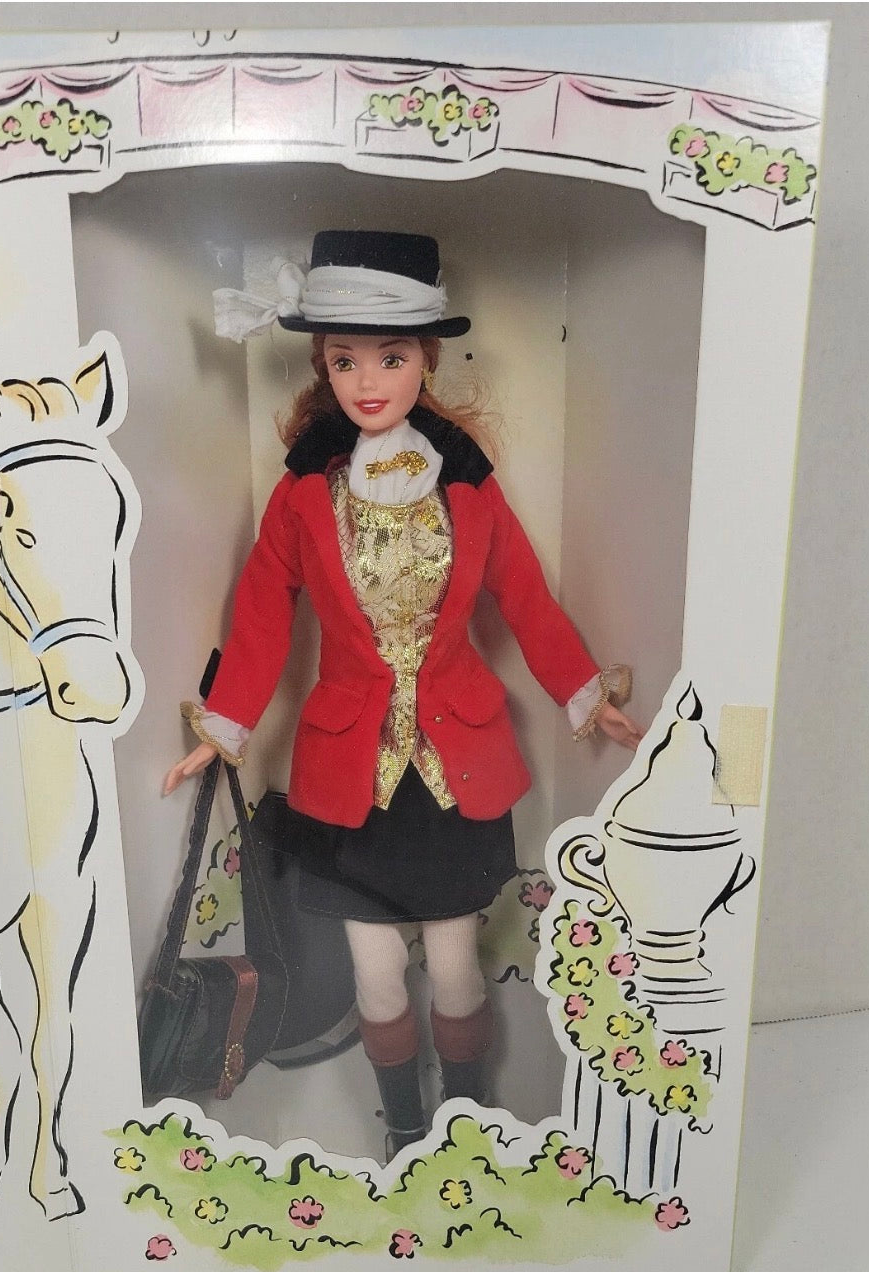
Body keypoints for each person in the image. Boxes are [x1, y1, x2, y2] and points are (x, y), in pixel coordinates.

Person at [164, 230, 640, 1158]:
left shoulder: (468, 484)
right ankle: (406, 1126)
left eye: (390, 357)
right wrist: (225, 725)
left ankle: (464, 1118)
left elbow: (525, 596)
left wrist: (583, 692)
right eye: (345, 360)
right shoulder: (306, 492)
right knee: (378, 974)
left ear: (427, 357)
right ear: (323, 364)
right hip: (349, 774)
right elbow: (261, 609)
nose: (368, 380)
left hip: (455, 766)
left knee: (456, 967)